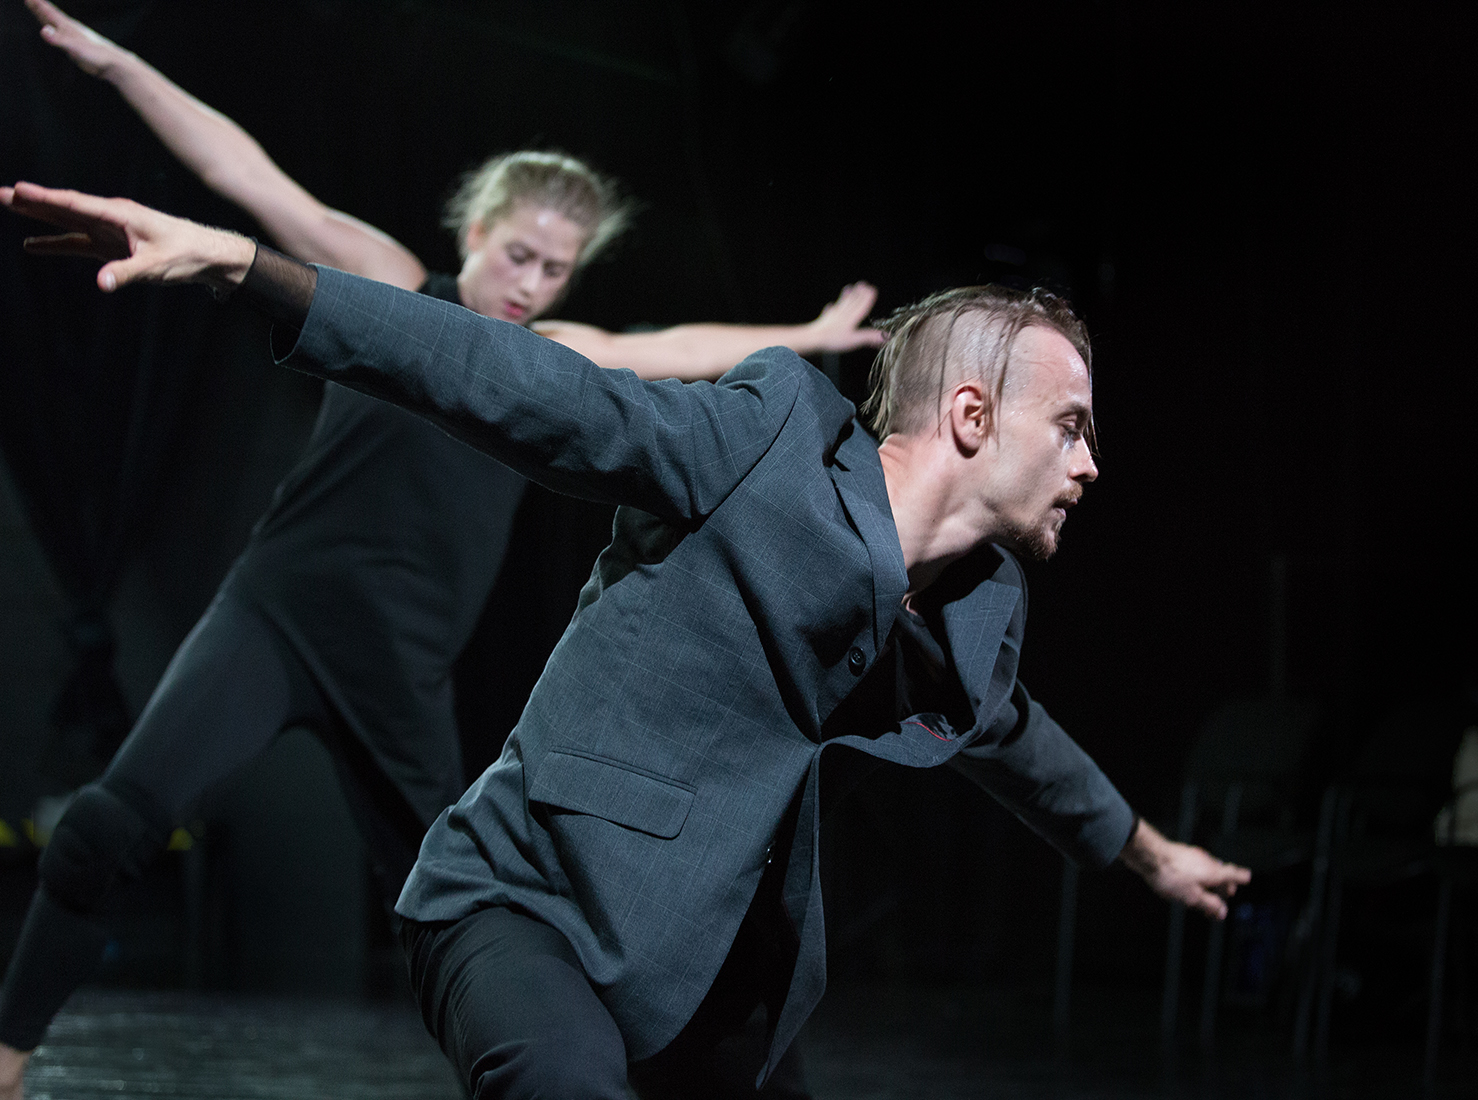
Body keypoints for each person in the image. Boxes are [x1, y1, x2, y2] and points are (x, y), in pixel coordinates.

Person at [0, 181, 1253, 1099]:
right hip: (523, 909)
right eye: (1072, 424)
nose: (1092, 462)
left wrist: (1146, 851)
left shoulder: (972, 604)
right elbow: (511, 381)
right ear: (972, 415)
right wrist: (240, 268)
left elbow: (1009, 731)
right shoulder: (762, 445)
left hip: (712, 973)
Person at [0, 5, 882, 1096]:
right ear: (475, 230)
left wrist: (811, 337)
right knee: (102, 829)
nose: (530, 283)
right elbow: (251, 178)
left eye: (555, 269)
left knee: (483, 921)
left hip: (402, 673)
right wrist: (120, 65)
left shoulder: (553, 359)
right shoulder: (390, 284)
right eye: (518, 253)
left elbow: (673, 349)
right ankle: (8, 1054)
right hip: (276, 615)